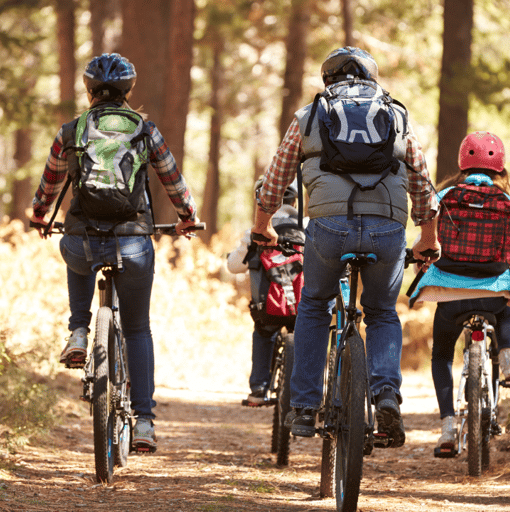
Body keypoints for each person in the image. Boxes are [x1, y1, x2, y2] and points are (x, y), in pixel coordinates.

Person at [252, 46, 440, 447]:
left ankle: (304, 407)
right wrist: (428, 237)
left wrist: (262, 227)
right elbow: (422, 182)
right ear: (372, 79)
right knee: (382, 312)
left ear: (327, 80)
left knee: (314, 304)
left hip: (329, 227)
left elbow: (275, 181)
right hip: (387, 229)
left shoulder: (310, 115)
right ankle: (385, 394)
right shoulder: (397, 115)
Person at [29, 53, 198, 452]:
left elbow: (50, 184)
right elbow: (172, 180)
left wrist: (39, 215)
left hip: (82, 239)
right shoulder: (145, 130)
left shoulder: (72, 131)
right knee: (137, 329)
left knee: (77, 252)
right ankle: (144, 423)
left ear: (89, 90)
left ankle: (79, 330)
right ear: (128, 91)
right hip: (133, 241)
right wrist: (187, 216)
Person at [408, 131, 510, 455]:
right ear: (500, 167)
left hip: (449, 293)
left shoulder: (445, 195)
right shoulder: (505, 201)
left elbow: (426, 240)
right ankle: (507, 357)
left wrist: (418, 265)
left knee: (442, 356)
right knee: (504, 305)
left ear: (462, 163)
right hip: (492, 290)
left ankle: (447, 428)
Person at [227, 178, 304, 406]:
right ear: (294, 201)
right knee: (309, 334)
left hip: (268, 308)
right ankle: (307, 394)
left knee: (263, 332)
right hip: (303, 306)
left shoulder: (255, 232)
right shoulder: (306, 226)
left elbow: (234, 266)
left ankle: (259, 389)